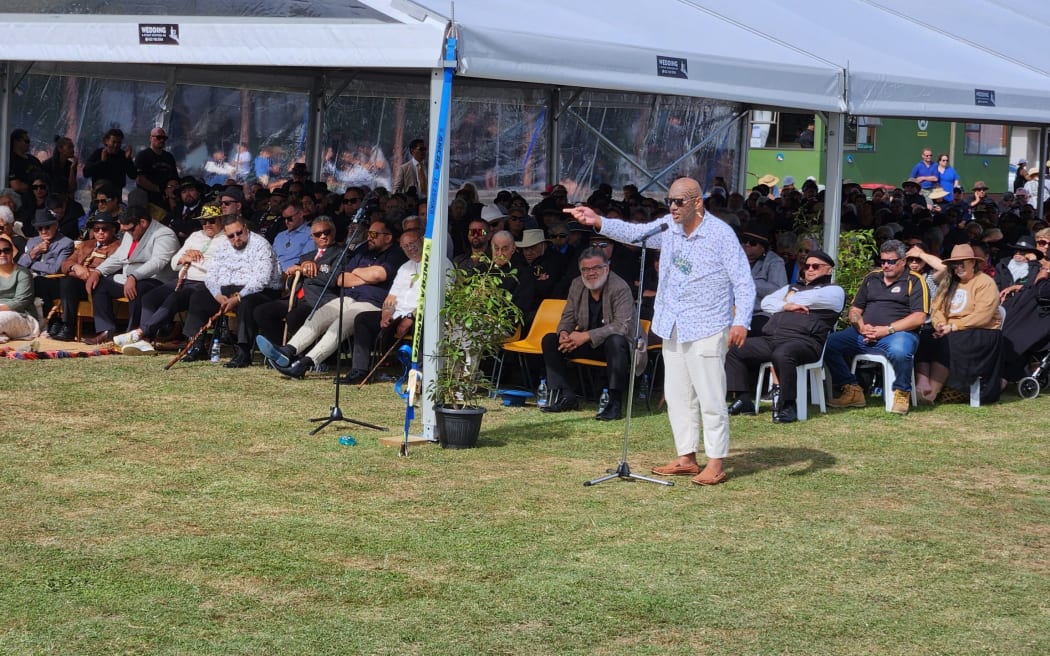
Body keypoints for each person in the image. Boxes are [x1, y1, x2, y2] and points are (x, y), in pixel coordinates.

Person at [565, 176, 755, 487]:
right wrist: (598, 221)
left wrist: (741, 321)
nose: (673, 207)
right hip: (673, 324)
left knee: (710, 395)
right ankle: (687, 456)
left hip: (707, 324)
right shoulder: (668, 228)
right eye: (670, 201)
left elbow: (744, 282)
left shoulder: (721, 235)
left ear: (698, 203)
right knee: (678, 395)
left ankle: (717, 461)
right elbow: (635, 232)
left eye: (679, 202)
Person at [257, 219, 405, 379]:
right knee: (318, 317)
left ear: (388, 238)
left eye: (374, 234)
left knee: (339, 325)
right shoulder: (363, 250)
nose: (369, 237)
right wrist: (367, 275)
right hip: (349, 296)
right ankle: (288, 351)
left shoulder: (396, 253)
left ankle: (304, 363)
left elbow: (379, 274)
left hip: (372, 304)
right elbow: (341, 279)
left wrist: (358, 273)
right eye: (368, 233)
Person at [725, 249, 844, 423]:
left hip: (805, 342)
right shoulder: (792, 288)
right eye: (807, 266)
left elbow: (812, 298)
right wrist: (786, 306)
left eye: (816, 266)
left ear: (829, 270)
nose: (810, 269)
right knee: (735, 348)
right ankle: (743, 399)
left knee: (783, 354)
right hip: (772, 338)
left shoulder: (834, 291)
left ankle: (787, 405)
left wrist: (787, 300)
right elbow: (766, 303)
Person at [825, 239, 930, 414]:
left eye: (891, 261)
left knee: (900, 351)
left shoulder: (915, 280)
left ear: (903, 261)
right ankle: (851, 389)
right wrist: (860, 325)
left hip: (897, 333)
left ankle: (902, 392)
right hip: (863, 332)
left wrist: (887, 329)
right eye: (883, 261)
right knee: (829, 344)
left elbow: (919, 317)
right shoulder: (871, 277)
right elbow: (855, 309)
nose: (886, 265)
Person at [111, 203, 226, 355]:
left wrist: (194, 260)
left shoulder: (227, 238)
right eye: (204, 221)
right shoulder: (195, 236)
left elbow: (220, 267)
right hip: (183, 279)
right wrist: (184, 258)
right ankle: (146, 341)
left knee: (173, 299)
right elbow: (174, 263)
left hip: (205, 283)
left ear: (221, 220)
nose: (207, 225)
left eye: (212, 220)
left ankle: (141, 334)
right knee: (150, 298)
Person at [539, 246, 634, 420]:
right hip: (587, 344)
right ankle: (565, 395)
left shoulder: (620, 287)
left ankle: (614, 403)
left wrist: (586, 336)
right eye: (585, 269)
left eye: (595, 268)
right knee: (550, 340)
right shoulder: (577, 284)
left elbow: (622, 326)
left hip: (617, 349)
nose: (590, 273)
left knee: (615, 340)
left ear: (606, 268)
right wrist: (564, 333)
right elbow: (567, 316)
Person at [183, 214, 282, 366]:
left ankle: (243, 353)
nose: (236, 238)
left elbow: (260, 280)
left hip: (260, 291)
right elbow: (211, 276)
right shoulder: (223, 246)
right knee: (200, 296)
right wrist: (217, 295)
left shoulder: (261, 245)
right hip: (228, 290)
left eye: (239, 233)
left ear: (246, 229)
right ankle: (197, 345)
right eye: (231, 236)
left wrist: (238, 297)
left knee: (246, 302)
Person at [340, 229, 431, 384]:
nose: (410, 248)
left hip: (422, 316)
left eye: (413, 243)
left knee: (423, 327)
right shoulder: (404, 268)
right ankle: (360, 370)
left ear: (422, 241)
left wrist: (411, 317)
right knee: (363, 319)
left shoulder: (435, 264)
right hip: (398, 314)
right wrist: (386, 314)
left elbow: (432, 298)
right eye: (405, 246)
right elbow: (391, 296)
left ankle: (420, 376)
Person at [82, 204, 179, 344]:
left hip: (156, 280)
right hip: (129, 278)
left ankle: (131, 334)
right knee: (100, 283)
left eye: (131, 229)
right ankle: (106, 331)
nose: (128, 233)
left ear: (143, 222)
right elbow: (118, 257)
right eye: (126, 230)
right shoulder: (130, 233)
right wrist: (98, 271)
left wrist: (134, 276)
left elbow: (158, 262)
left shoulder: (164, 234)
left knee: (138, 288)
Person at [924, 244, 1003, 404]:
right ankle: (921, 387)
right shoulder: (949, 283)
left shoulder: (985, 282)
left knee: (948, 342)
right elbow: (936, 308)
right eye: (955, 265)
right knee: (924, 339)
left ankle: (931, 393)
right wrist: (940, 325)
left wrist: (953, 327)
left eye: (962, 263)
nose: (958, 268)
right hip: (951, 329)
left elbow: (983, 316)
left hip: (981, 332)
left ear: (973, 263)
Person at [251, 216, 341, 348]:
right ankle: (279, 348)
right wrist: (295, 272)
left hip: (318, 300)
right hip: (295, 298)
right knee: (261, 311)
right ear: (313, 237)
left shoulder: (341, 253)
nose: (322, 236)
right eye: (317, 234)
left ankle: (302, 354)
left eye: (326, 232)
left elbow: (333, 279)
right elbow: (292, 280)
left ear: (333, 232)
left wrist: (304, 271)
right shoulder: (307, 256)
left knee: (294, 317)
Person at [0, 233, 40, 343]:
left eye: (6, 250)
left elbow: (21, 302)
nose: (2, 254)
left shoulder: (23, 273)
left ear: (12, 253)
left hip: (22, 315)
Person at [83, 128, 137, 197]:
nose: (116, 145)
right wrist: (102, 162)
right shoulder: (98, 153)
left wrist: (128, 160)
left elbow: (133, 175)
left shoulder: (123, 156)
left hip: (116, 194)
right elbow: (86, 173)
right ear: (106, 141)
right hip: (99, 194)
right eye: (113, 142)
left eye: (119, 143)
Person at [133, 127, 179, 208]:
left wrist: (170, 190)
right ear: (150, 138)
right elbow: (140, 179)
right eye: (158, 137)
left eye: (164, 138)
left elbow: (174, 178)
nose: (162, 140)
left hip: (166, 199)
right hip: (147, 200)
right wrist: (159, 189)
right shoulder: (143, 155)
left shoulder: (169, 157)